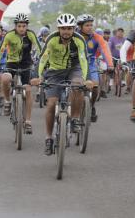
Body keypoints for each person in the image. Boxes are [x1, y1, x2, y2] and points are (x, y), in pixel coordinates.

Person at [35, 14, 93, 155]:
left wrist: (87, 79)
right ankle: (48, 138)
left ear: (74, 29)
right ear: (58, 29)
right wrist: (37, 76)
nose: (66, 31)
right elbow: (43, 59)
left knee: (77, 85)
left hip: (75, 69)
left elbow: (84, 59)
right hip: (55, 71)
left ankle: (74, 119)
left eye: (69, 28)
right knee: (51, 103)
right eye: (63, 29)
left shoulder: (79, 40)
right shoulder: (52, 39)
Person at [0, 13, 41, 134]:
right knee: (5, 79)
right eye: (19, 26)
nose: (22, 28)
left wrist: (42, 61)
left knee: (29, 90)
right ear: (15, 26)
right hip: (12, 63)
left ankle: (28, 121)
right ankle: (7, 101)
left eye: (24, 26)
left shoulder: (31, 34)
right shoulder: (9, 35)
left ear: (27, 26)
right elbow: (1, 49)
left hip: (26, 64)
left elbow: (40, 48)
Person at [76, 14, 114, 122]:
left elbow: (105, 50)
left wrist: (110, 65)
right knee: (75, 87)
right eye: (87, 25)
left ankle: (91, 106)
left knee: (95, 86)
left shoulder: (97, 37)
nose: (90, 27)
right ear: (80, 26)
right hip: (76, 66)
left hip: (91, 65)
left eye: (91, 25)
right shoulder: (74, 36)